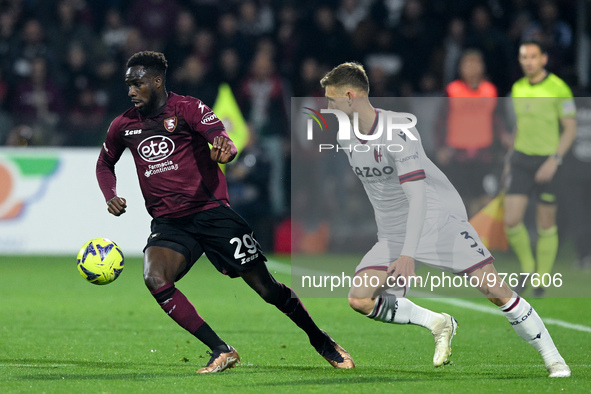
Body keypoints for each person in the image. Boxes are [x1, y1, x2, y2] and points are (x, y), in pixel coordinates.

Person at [95, 51, 354, 373]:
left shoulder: (189, 108)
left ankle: (321, 340)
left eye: (137, 83)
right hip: (170, 223)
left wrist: (225, 148)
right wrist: (111, 195)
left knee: (267, 289)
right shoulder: (124, 125)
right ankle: (221, 349)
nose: (131, 91)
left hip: (211, 213)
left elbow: (222, 139)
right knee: (154, 277)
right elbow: (105, 163)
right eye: (128, 84)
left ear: (157, 81)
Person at [319, 62, 570, 377]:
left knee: (494, 290)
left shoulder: (397, 131)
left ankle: (554, 359)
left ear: (351, 96)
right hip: (394, 234)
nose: (328, 107)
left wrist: (409, 254)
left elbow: (418, 196)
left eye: (331, 100)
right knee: (360, 298)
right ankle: (438, 323)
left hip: (437, 221)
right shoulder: (345, 138)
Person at [504, 41, 577, 297]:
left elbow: (570, 128)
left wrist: (554, 160)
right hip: (522, 160)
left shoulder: (558, 88)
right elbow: (519, 127)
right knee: (511, 220)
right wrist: (508, 160)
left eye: (533, 56)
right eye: (524, 56)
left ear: (544, 59)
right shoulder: (518, 88)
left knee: (545, 222)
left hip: (549, 161)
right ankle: (527, 267)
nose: (528, 61)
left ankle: (542, 280)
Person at [437, 49, 505, 218]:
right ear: (461, 68)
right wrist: (440, 148)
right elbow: (440, 122)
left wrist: (505, 138)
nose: (472, 67)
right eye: (468, 63)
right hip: (458, 155)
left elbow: (499, 120)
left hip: (484, 155)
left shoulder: (490, 91)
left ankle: (478, 239)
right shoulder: (452, 90)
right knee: (460, 198)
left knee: (483, 198)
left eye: (476, 63)